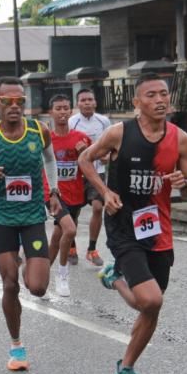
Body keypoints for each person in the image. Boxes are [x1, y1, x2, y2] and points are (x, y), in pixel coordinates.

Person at [79, 73, 187, 374]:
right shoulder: (118, 133)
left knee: (149, 305)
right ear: (136, 103)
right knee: (151, 300)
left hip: (158, 230)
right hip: (123, 226)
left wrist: (183, 185)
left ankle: (126, 367)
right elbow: (84, 159)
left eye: (164, 94)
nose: (160, 100)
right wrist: (104, 192)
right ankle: (116, 275)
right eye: (151, 95)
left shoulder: (180, 138)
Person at [0, 76, 61, 371]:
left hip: (33, 217)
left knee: (38, 287)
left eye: (21, 101)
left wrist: (53, 191)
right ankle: (17, 346)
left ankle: (31, 258)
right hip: (4, 219)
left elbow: (50, 160)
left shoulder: (39, 130)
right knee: (10, 284)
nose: (15, 106)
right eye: (8, 101)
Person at [43, 94, 91, 297]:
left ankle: (40, 276)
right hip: (53, 193)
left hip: (75, 194)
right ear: (51, 112)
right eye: (58, 108)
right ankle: (62, 276)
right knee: (69, 231)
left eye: (65, 108)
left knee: (57, 237)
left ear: (71, 111)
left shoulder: (81, 137)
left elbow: (100, 160)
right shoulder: (46, 139)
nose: (62, 112)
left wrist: (86, 151)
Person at [69, 88, 111, 266]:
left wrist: (102, 156)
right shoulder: (72, 122)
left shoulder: (104, 121)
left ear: (95, 102)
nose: (87, 103)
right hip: (77, 173)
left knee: (97, 207)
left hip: (97, 171)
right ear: (77, 104)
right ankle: (71, 247)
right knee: (74, 212)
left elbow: (111, 148)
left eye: (90, 100)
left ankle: (92, 249)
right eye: (83, 100)